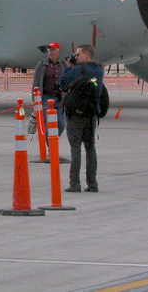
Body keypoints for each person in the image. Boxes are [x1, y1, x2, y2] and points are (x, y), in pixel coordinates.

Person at [59, 44, 103, 192]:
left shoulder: (77, 70)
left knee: (75, 148)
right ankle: (92, 183)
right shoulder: (99, 71)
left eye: (78, 55)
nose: (76, 57)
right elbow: (96, 85)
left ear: (86, 55)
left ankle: (74, 183)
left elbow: (63, 84)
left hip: (76, 115)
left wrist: (68, 67)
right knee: (90, 148)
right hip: (91, 114)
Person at [32, 42, 66, 143]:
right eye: (49, 50)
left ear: (58, 52)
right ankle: (50, 146)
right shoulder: (42, 65)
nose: (51, 52)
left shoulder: (62, 65)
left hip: (59, 98)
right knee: (48, 122)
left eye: (53, 50)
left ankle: (53, 141)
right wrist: (35, 99)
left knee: (61, 123)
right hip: (47, 97)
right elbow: (36, 82)